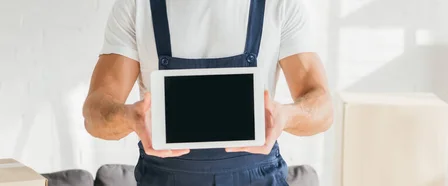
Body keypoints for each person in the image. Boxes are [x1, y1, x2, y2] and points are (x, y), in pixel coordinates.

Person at [82, 0, 333, 185]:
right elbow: (95, 114)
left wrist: (286, 116)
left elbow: (323, 108)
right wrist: (129, 118)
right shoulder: (136, 6)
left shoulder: (280, 5)